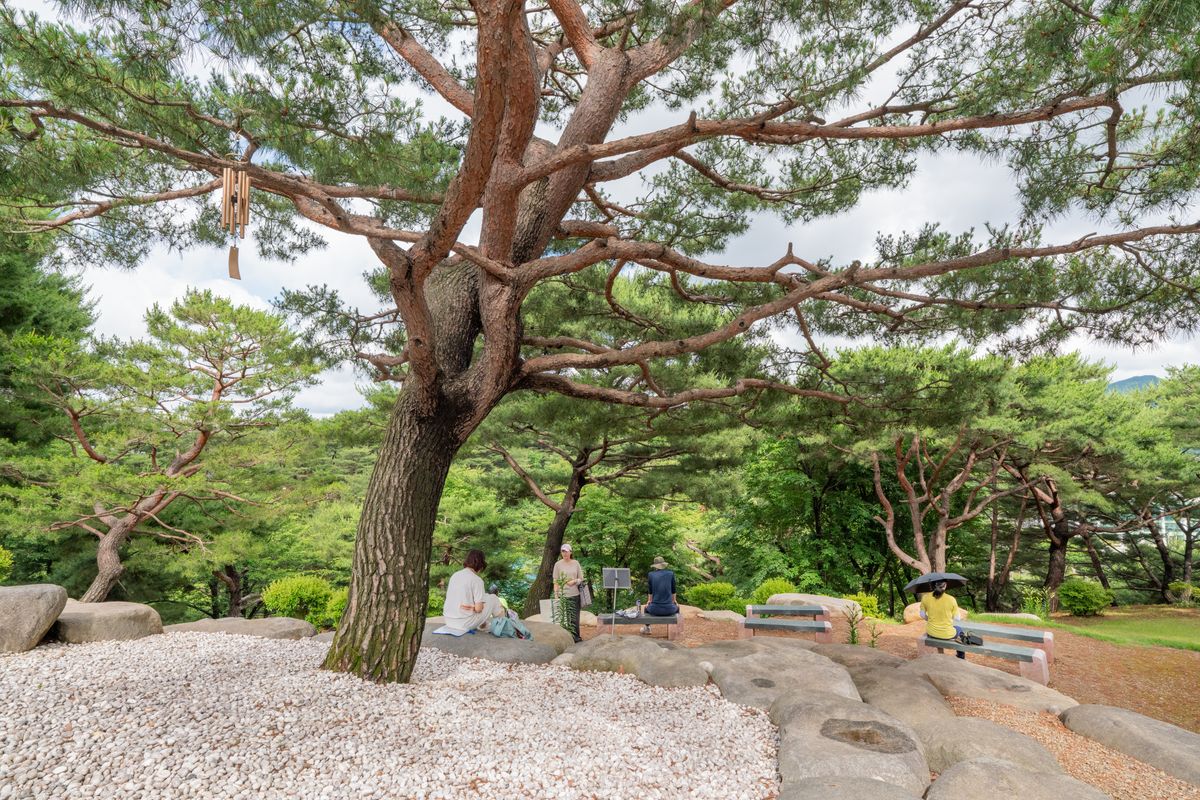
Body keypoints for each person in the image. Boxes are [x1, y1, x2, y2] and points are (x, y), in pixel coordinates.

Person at [443, 549, 506, 633]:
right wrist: (476, 607)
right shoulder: (477, 580)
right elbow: (479, 609)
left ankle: (483, 625)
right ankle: (502, 626)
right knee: (493, 598)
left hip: (449, 620)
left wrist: (472, 606)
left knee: (486, 597)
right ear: (481, 565)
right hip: (464, 623)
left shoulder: (455, 575)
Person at [920, 580, 966, 659]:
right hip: (947, 634)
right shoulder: (951, 599)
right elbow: (957, 618)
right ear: (945, 585)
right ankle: (960, 656)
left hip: (931, 633)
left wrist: (930, 619)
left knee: (937, 632)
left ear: (933, 585)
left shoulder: (925, 597)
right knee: (959, 630)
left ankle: (941, 654)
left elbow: (922, 615)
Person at [552, 542, 584, 643]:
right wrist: (556, 595)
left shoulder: (576, 563)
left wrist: (574, 581)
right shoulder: (558, 564)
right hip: (563, 595)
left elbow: (581, 578)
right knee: (563, 618)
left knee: (574, 618)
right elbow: (555, 581)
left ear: (570, 552)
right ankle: (565, 639)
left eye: (567, 551)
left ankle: (576, 638)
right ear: (561, 553)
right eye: (563, 551)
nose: (565, 553)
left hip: (575, 594)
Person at [641, 556, 679, 634]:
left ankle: (647, 628)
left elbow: (650, 590)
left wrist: (649, 601)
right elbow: (673, 589)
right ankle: (675, 630)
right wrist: (674, 600)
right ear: (663, 564)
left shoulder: (651, 574)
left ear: (655, 566)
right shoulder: (670, 573)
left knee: (646, 608)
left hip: (654, 610)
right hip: (670, 610)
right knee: (677, 608)